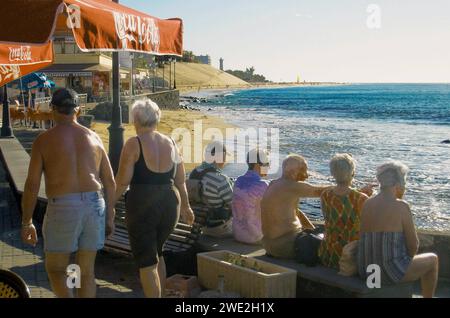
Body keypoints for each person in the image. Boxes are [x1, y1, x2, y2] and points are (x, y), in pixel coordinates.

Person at [21, 88, 116, 298]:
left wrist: (27, 221)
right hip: (94, 204)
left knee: (56, 269)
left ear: (53, 110)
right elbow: (109, 181)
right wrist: (110, 215)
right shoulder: (95, 138)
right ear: (78, 111)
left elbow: (31, 185)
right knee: (86, 271)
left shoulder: (43, 141)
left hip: (64, 206)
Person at [114, 98, 194, 298]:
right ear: (157, 118)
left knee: (146, 262)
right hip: (169, 205)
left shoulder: (134, 144)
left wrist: (109, 204)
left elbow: (123, 182)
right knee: (157, 253)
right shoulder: (172, 142)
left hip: (143, 205)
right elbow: (180, 180)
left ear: (135, 120)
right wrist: (186, 206)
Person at [358, 161, 439, 298]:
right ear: (398, 184)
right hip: (387, 272)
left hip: (367, 270)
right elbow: (414, 246)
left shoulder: (367, 203)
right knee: (433, 260)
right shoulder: (401, 206)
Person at [261, 154, 330, 259]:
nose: (306, 176)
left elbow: (296, 212)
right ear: (293, 171)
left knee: (317, 231)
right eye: (304, 171)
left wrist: (312, 229)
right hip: (285, 246)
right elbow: (321, 191)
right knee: (329, 241)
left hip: (269, 245)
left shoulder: (273, 184)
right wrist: (350, 189)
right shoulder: (291, 186)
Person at [318, 154, 372, 269]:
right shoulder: (361, 198)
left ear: (332, 174)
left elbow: (333, 216)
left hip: (328, 253)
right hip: (349, 257)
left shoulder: (325, 195)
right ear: (353, 172)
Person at [189, 141, 234, 238]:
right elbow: (233, 205)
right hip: (217, 227)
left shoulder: (193, 173)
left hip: (197, 224)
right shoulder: (220, 178)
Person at [231, 148, 270, 244]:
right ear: (257, 165)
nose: (269, 167)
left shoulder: (238, 181)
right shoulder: (263, 185)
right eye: (267, 164)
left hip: (238, 234)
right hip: (256, 236)